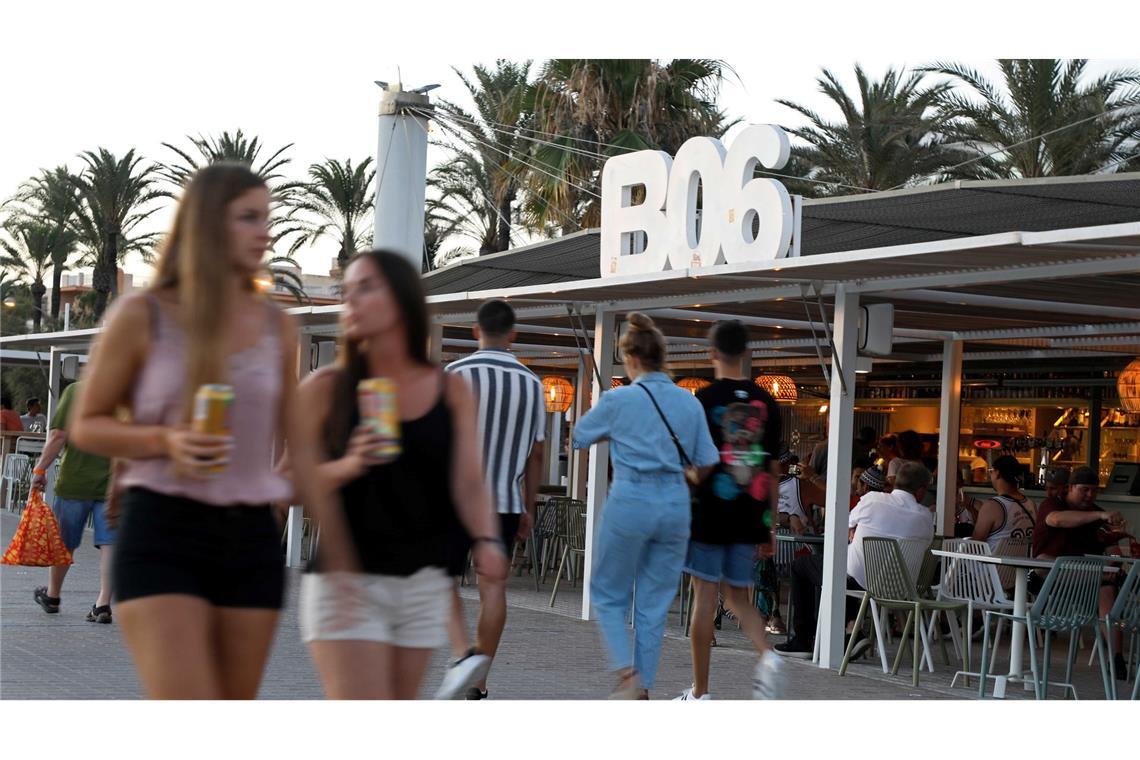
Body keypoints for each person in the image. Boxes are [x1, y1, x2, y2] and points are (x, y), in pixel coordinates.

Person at [69, 163, 328, 699]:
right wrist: (165, 441)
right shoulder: (142, 315)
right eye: (249, 218)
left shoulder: (276, 327)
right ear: (208, 224)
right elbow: (87, 424)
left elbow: (300, 445)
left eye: (268, 218)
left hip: (252, 539)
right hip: (163, 527)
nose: (266, 232)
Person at [295, 249, 508, 700]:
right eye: (346, 292)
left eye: (365, 288)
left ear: (402, 300)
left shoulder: (450, 389)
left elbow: (468, 480)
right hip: (345, 578)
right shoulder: (325, 388)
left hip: (420, 584)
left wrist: (487, 540)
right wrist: (347, 465)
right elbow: (285, 482)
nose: (350, 301)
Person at [572, 312, 719, 699]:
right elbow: (706, 462)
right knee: (654, 606)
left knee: (607, 591)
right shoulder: (688, 404)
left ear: (630, 358)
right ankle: (645, 689)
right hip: (674, 503)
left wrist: (615, 429)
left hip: (631, 498)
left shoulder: (619, 399)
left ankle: (628, 675)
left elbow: (580, 435)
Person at [436, 298, 545, 700]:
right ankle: (479, 685)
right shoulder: (532, 383)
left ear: (474, 331)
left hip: (455, 499)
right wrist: (528, 506)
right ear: (513, 334)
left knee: (440, 577)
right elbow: (536, 453)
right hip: (503, 501)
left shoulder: (455, 373)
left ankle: (463, 651)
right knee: (493, 587)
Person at [675, 319, 784, 701]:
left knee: (704, 597)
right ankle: (768, 655)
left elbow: (695, 462)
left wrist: (686, 476)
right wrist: (769, 525)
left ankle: (701, 692)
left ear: (713, 353)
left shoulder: (702, 401)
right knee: (739, 598)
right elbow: (773, 472)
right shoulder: (767, 403)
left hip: (710, 512)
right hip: (751, 512)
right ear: (747, 353)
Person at [775, 462, 935, 658]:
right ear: (921, 490)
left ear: (896, 482)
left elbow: (842, 526)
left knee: (803, 567)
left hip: (858, 581)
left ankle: (804, 640)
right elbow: (925, 545)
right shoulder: (925, 517)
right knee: (848, 571)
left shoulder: (873, 500)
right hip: (900, 589)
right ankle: (852, 632)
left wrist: (854, 530)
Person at [29, 381, 115, 622]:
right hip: (114, 484)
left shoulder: (77, 391)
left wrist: (39, 471)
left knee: (64, 542)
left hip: (75, 481)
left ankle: (53, 596)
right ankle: (103, 604)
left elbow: (58, 436)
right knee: (110, 544)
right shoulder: (128, 391)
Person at [1032, 465, 1128, 680]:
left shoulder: (1096, 515)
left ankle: (1117, 658)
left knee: (1108, 588)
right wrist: (1099, 515)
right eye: (1084, 489)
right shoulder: (1053, 504)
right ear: (1070, 487)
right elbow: (1057, 520)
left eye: (1094, 490)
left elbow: (1113, 552)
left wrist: (1114, 559)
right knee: (1048, 561)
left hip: (1086, 584)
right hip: (1048, 581)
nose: (1090, 495)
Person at [971, 454, 1035, 551]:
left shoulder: (992, 506)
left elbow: (974, 546)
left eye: (991, 471)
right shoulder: (1031, 504)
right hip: (1022, 564)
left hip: (993, 565)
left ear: (997, 473)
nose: (990, 475)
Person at [777, 450, 825, 534]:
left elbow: (834, 501)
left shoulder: (801, 484)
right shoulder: (801, 483)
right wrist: (813, 477)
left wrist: (812, 477)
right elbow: (836, 501)